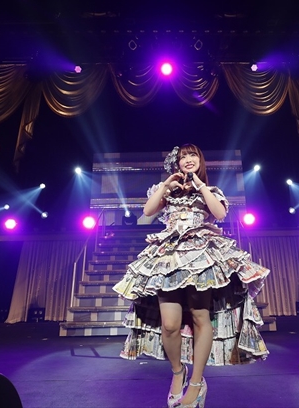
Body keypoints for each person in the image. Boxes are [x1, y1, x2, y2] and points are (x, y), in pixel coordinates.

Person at [113, 144, 270, 408]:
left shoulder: (210, 190)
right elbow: (148, 212)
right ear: (177, 163)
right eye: (183, 156)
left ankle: (197, 383)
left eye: (192, 155)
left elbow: (219, 213)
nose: (188, 159)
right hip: (169, 256)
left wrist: (200, 186)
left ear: (200, 161)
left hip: (201, 256)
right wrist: (166, 185)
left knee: (200, 317)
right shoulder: (166, 190)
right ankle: (178, 372)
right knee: (170, 324)